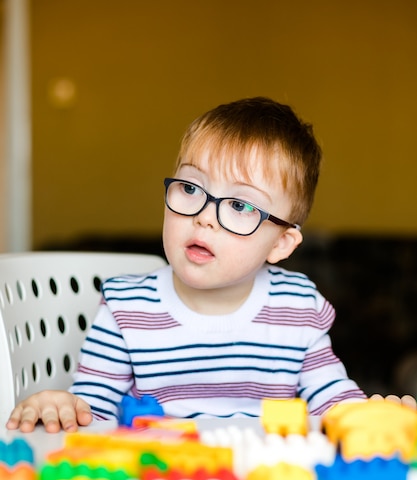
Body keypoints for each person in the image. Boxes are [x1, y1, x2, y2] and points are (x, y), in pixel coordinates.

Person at [6, 97, 416, 434]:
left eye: (239, 205)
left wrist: (375, 416)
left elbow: (333, 403)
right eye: (190, 187)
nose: (204, 216)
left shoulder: (298, 308)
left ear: (281, 243)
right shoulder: (126, 308)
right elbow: (92, 414)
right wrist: (63, 406)